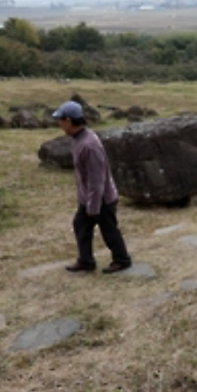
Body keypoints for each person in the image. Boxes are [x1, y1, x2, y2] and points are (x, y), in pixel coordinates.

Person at [52, 100, 133, 274]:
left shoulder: (89, 145)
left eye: (60, 120)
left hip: (101, 199)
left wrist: (93, 206)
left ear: (68, 120)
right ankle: (86, 261)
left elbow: (97, 179)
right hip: (89, 198)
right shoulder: (80, 138)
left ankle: (122, 260)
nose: (59, 123)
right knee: (80, 225)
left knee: (109, 231)